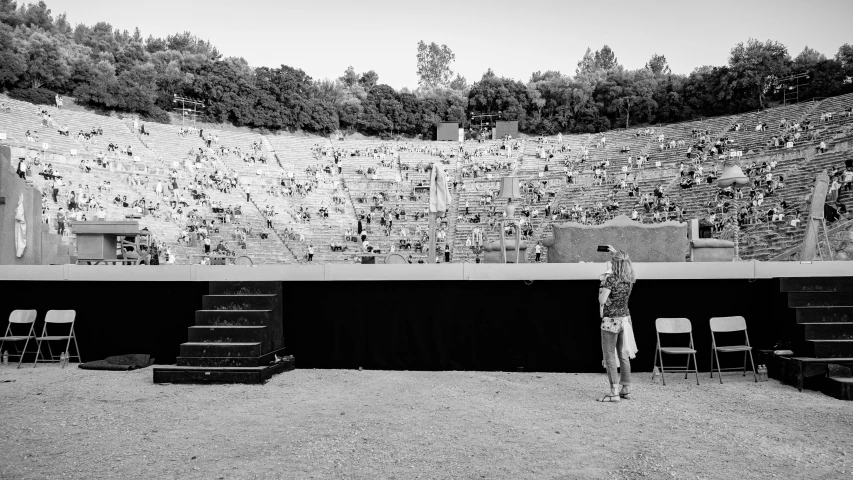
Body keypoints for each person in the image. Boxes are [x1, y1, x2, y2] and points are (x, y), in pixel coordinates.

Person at [597, 247, 636, 403]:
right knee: (623, 354)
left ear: (614, 263)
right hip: (625, 319)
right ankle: (625, 388)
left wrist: (601, 289)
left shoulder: (610, 280)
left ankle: (613, 391)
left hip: (611, 320)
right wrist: (614, 251)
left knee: (610, 356)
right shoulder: (630, 278)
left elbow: (602, 300)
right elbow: (623, 258)